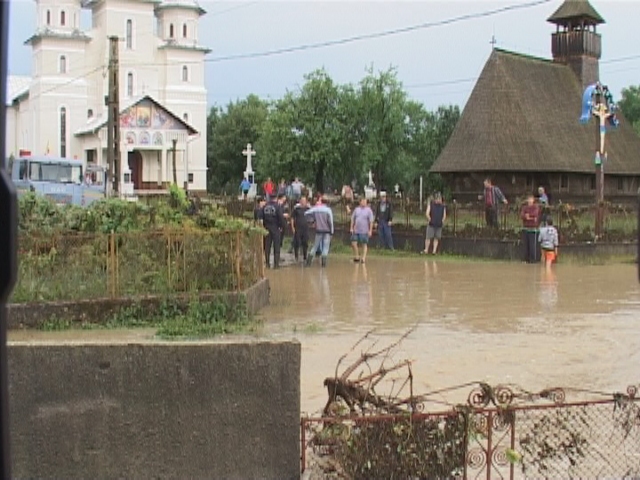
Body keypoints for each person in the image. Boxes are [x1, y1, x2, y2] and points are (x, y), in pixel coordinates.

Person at [304, 194, 334, 268]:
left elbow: (306, 213)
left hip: (319, 230)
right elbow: (331, 222)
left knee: (315, 246)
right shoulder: (328, 210)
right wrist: (332, 232)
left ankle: (308, 263)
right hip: (327, 231)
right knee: (326, 247)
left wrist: (312, 221)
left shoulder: (316, 208)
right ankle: (323, 265)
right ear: (327, 202)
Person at [261, 195, 286, 269]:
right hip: (275, 228)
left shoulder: (265, 206)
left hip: (266, 228)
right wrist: (283, 226)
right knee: (276, 246)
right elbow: (281, 218)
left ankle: (267, 264)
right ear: (276, 198)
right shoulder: (277, 207)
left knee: (267, 246)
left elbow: (260, 216)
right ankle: (276, 264)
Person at [350, 197, 374, 264]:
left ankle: (363, 258)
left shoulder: (369, 210)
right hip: (356, 230)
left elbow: (371, 221)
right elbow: (352, 219)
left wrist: (370, 230)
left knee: (364, 244)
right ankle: (357, 256)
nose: (364, 203)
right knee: (353, 243)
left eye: (365, 201)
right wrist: (351, 228)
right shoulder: (356, 209)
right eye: (363, 201)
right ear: (360, 202)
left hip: (364, 231)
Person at [520, 193, 541, 263]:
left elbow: (535, 214)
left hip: (533, 229)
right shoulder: (524, 207)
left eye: (530, 199)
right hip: (526, 228)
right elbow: (522, 215)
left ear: (533, 200)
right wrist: (526, 217)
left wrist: (529, 216)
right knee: (526, 245)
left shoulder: (536, 207)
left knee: (532, 245)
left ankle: (533, 260)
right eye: (528, 199)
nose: (529, 200)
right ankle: (526, 259)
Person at [291, 195, 310, 262]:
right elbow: (292, 218)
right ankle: (296, 256)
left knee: (305, 242)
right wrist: (292, 227)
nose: (303, 202)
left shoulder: (308, 208)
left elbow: (312, 217)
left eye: (304, 201)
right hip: (298, 228)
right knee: (297, 242)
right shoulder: (296, 209)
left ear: (306, 201)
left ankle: (305, 256)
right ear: (300, 201)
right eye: (302, 201)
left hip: (305, 228)